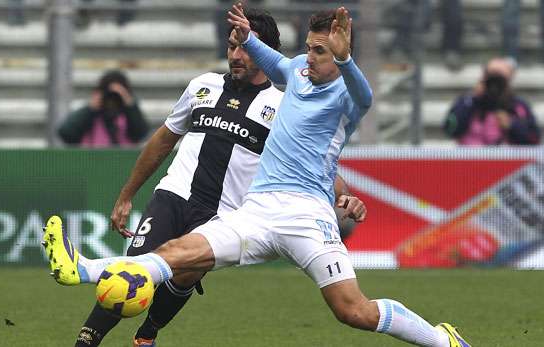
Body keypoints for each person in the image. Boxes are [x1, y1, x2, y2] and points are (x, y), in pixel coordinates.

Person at [44, 4, 470, 346]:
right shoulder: (298, 73)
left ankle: (441, 339)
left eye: (321, 52)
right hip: (258, 210)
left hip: (307, 216)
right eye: (310, 48)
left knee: (352, 311)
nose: (310, 59)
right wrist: (246, 37)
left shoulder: (348, 96)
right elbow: (275, 61)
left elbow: (364, 93)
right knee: (179, 253)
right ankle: (80, 269)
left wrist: (344, 60)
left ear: (341, 54)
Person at [443, 57, 541, 145]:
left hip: (507, 162)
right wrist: (472, 100)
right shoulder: (467, 101)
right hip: (471, 161)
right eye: (491, 77)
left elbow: (535, 139)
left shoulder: (519, 106)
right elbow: (449, 129)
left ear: (509, 80)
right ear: (483, 76)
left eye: (499, 79)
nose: (494, 85)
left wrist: (512, 124)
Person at [58, 69, 150, 148]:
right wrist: (90, 109)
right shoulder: (90, 115)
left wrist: (130, 106)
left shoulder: (129, 115)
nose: (112, 101)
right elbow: (66, 134)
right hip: (92, 162)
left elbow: (142, 134)